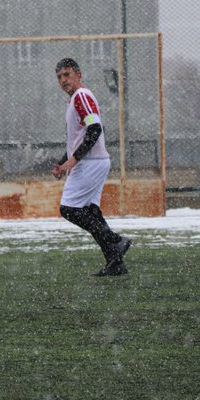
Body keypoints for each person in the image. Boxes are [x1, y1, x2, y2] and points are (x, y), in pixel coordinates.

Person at [52, 58, 132, 276]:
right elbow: (81, 136)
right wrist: (62, 162)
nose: (63, 80)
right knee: (90, 211)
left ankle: (115, 240)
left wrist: (73, 160)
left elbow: (95, 129)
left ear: (79, 75)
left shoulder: (81, 96)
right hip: (92, 162)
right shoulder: (75, 100)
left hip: (90, 163)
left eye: (67, 74)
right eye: (59, 77)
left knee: (69, 209)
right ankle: (115, 262)